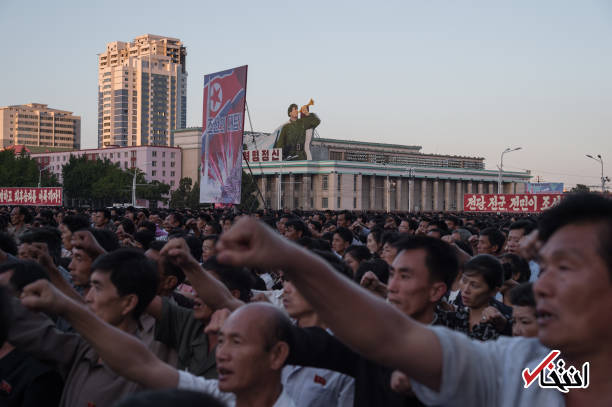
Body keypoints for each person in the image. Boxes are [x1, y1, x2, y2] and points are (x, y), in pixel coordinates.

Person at [210, 192, 612, 406]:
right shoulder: (528, 370)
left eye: (566, 267)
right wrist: (290, 257)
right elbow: (392, 340)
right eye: (546, 266)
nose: (542, 286)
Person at [19, 282, 296, 407]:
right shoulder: (217, 395)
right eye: (221, 340)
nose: (222, 353)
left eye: (237, 342)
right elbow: (140, 363)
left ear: (277, 354)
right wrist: (70, 309)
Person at [7, 249, 159, 407]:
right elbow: (39, 334)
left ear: (128, 303)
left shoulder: (140, 382)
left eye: (98, 288)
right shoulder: (85, 349)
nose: (88, 298)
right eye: (90, 287)